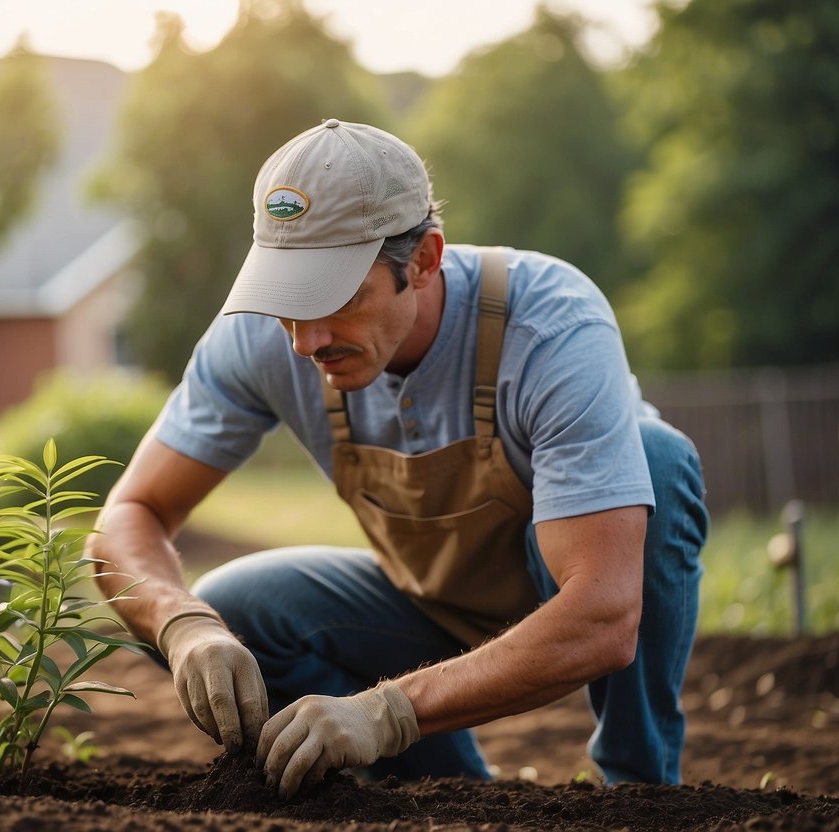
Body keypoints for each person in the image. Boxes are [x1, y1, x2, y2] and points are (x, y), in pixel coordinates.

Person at [88, 118, 708, 800]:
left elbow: (601, 613)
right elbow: (129, 516)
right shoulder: (257, 342)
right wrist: (182, 625)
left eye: (335, 296)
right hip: (424, 603)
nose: (305, 340)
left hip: (572, 579)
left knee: (655, 460)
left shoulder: (547, 325)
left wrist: (386, 711)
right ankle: (440, 793)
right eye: (286, 299)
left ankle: (640, 791)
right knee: (233, 607)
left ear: (423, 259)